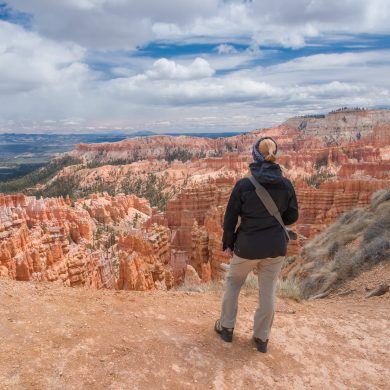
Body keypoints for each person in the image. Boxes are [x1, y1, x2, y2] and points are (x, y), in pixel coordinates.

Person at [215, 137, 298, 353]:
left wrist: (229, 241)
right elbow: (291, 217)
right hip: (275, 248)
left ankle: (226, 328)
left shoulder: (244, 185)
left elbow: (231, 217)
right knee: (268, 292)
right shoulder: (286, 184)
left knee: (234, 284)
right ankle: (262, 338)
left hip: (247, 247)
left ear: (255, 156)